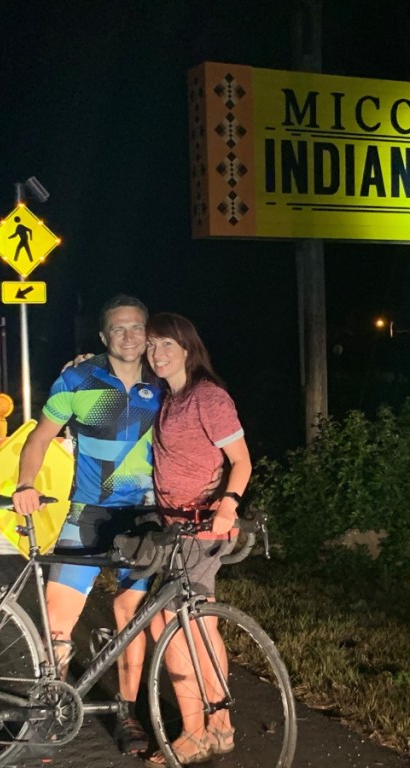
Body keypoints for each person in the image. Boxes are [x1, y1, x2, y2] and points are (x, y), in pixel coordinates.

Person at [11, 294, 159, 757]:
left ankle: (128, 712)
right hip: (88, 513)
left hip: (144, 518)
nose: (129, 336)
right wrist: (25, 483)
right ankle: (49, 701)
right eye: (118, 329)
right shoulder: (78, 377)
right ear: (103, 336)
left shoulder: (166, 379)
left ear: (148, 332)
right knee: (58, 620)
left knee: (130, 621)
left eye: (136, 327)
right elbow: (39, 437)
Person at [141, 312, 251, 766]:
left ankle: (195, 732)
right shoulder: (171, 398)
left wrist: (227, 506)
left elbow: (241, 462)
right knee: (193, 625)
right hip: (176, 527)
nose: (157, 353)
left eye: (166, 344)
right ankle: (218, 727)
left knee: (178, 624)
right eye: (151, 346)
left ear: (187, 347)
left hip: (202, 528)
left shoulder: (209, 397)